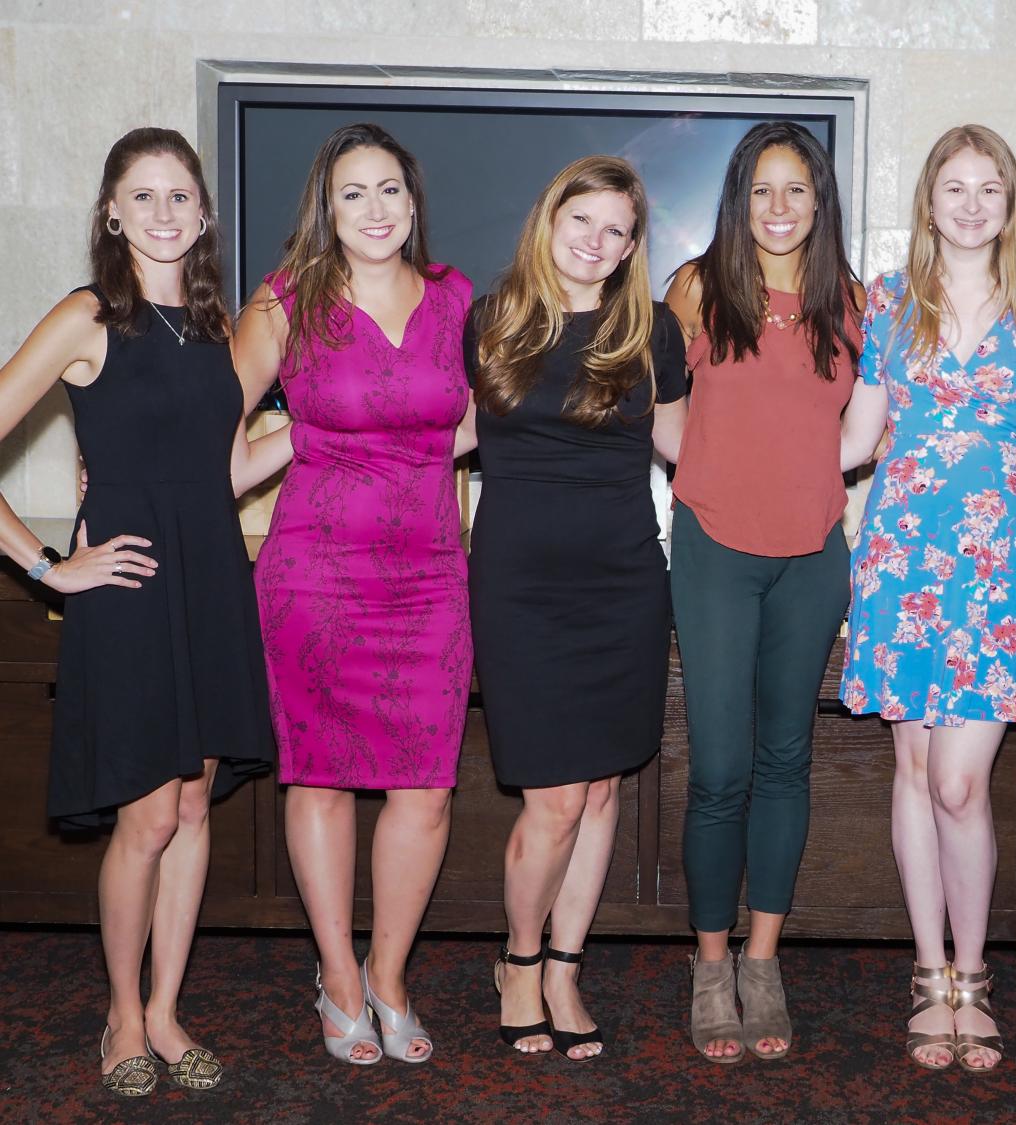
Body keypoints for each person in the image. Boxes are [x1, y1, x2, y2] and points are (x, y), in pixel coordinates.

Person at [0, 128, 286, 1095]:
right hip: (125, 586)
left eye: (181, 197)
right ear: (111, 211)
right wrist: (48, 565)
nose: (164, 213)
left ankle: (167, 1011)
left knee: (196, 801)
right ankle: (120, 1015)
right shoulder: (88, 316)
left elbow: (221, 469)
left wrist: (305, 432)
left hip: (210, 577)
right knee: (149, 814)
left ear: (203, 215)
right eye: (144, 196)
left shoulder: (213, 330)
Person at [235, 123, 474, 1066]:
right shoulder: (285, 302)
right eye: (352, 194)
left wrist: (389, 446)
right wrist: (305, 439)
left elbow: (470, 423)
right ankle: (337, 977)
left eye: (389, 192)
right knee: (321, 778)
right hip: (315, 575)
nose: (374, 210)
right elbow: (212, 436)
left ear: (413, 204)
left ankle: (389, 975)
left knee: (427, 791)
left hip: (428, 575)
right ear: (325, 211)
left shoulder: (457, 300)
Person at [839, 124, 1016, 1073]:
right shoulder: (888, 301)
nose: (972, 204)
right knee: (911, 771)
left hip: (1000, 580)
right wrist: (754, 466)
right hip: (901, 565)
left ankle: (973, 978)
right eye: (954, 188)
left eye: (991, 189)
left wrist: (1013, 497)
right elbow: (858, 436)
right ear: (927, 201)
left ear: (1010, 204)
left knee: (959, 782)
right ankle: (929, 974)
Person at [466, 155, 687, 1062]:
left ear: (633, 247)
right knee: (555, 799)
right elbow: (436, 434)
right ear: (547, 217)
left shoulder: (653, 330)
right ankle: (518, 962)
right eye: (581, 220)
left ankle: (564, 966)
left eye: (617, 230)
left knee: (602, 789)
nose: (596, 242)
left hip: (626, 579)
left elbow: (687, 447)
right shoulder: (491, 319)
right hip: (521, 584)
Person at [663, 121, 861, 1065]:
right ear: (738, 200)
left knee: (788, 759)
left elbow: (865, 429)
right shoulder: (697, 290)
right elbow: (659, 415)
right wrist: (712, 473)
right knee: (720, 768)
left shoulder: (851, 303)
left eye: (797, 191)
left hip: (814, 555)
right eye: (760, 191)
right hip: (713, 551)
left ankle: (764, 961)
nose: (779, 209)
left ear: (820, 202)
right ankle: (710, 965)